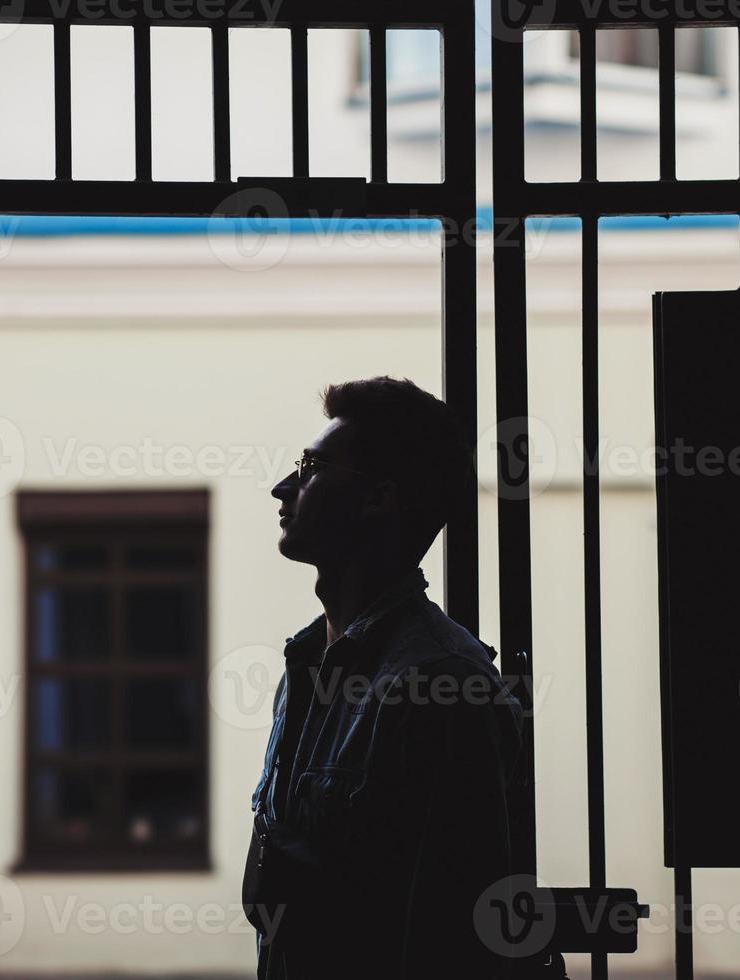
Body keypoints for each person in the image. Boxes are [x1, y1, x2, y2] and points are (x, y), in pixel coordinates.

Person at [243, 376, 525, 980]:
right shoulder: (307, 666)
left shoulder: (441, 686)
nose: (283, 487)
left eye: (312, 468)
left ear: (378, 500)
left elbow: (457, 937)